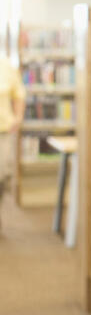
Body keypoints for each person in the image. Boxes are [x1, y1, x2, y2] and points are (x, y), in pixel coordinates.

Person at [0, 55, 26, 230]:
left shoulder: (6, 65)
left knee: (1, 175)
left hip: (2, 130)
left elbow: (19, 94)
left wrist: (18, 118)